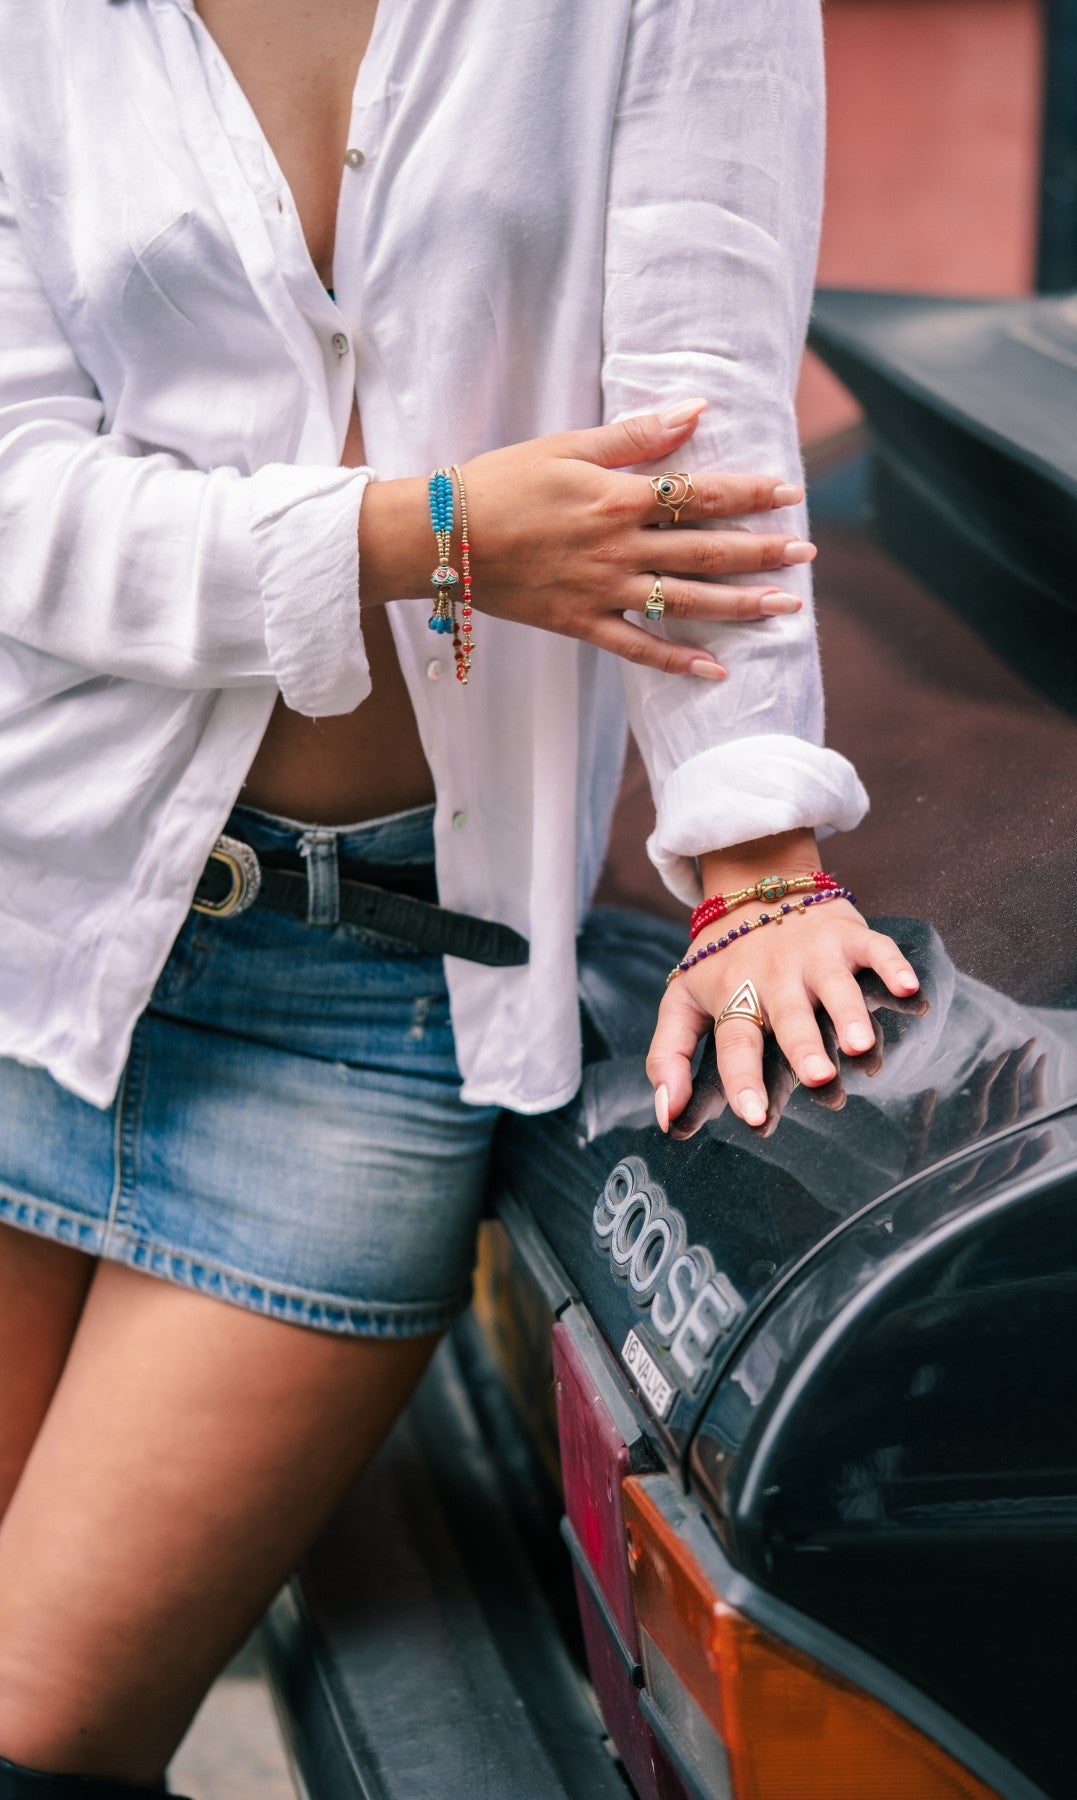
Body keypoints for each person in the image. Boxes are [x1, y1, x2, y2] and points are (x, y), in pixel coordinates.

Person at [0, 2, 919, 1793]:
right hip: (35, 934)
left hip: (365, 1013)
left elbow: (698, 425)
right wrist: (421, 531)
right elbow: (15, 504)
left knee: (37, 1730)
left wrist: (753, 863)